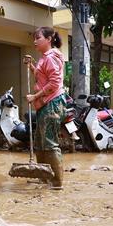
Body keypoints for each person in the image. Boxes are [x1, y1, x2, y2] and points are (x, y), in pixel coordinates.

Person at [24, 26, 65, 190]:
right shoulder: (44, 57)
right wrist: (32, 66)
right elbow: (43, 77)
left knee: (49, 143)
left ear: (49, 39)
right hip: (45, 103)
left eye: (38, 38)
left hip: (52, 103)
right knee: (41, 142)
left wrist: (35, 96)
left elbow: (54, 83)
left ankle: (56, 183)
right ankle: (43, 177)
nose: (35, 41)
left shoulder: (51, 57)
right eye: (34, 38)